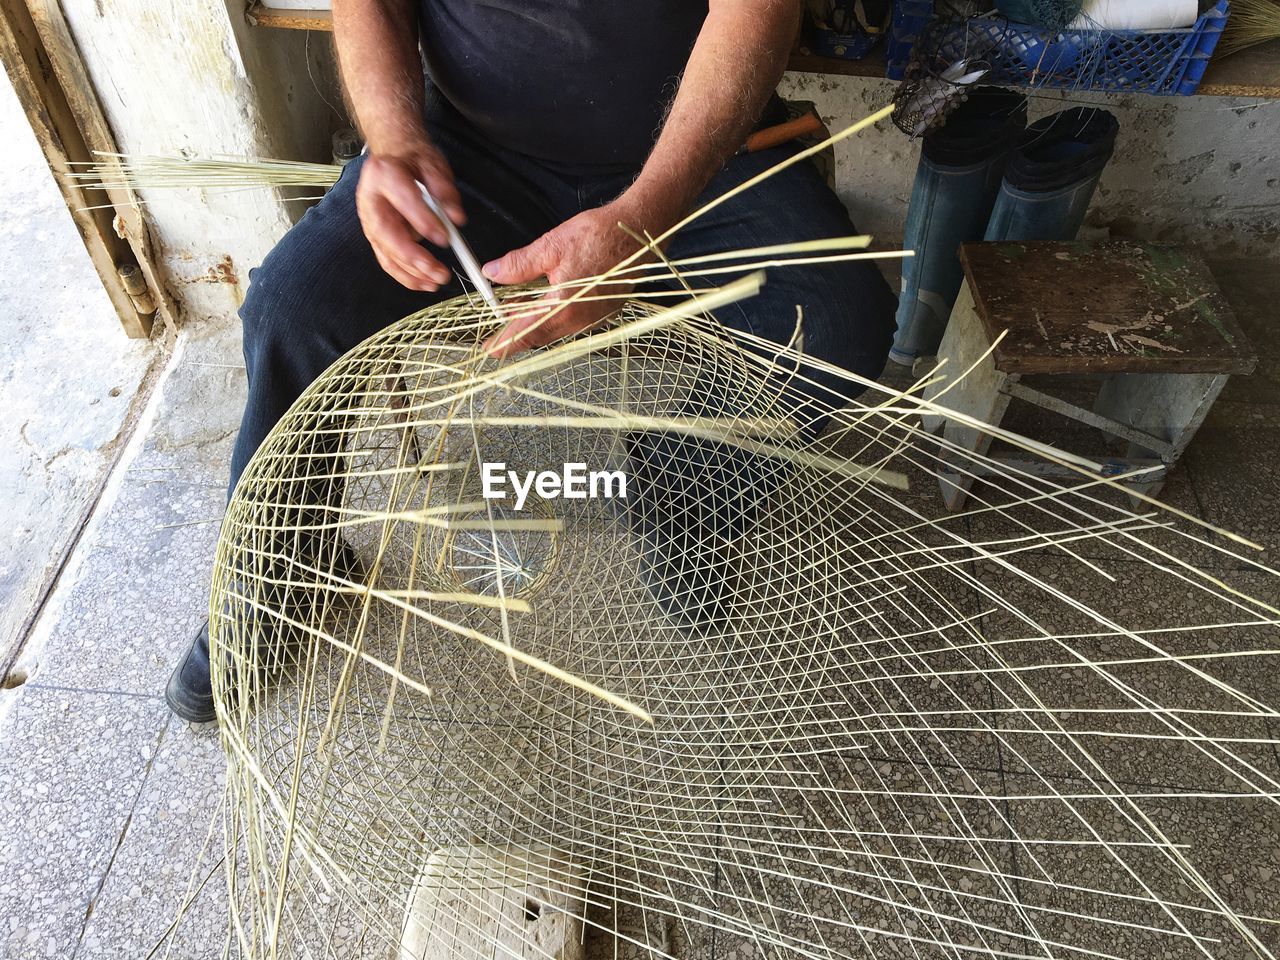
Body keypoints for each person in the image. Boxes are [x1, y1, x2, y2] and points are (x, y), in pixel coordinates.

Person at [164, 0, 897, 723]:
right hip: (473, 154)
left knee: (835, 329)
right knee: (294, 308)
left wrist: (641, 217)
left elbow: (758, 12)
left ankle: (682, 488)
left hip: (702, 152)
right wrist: (392, 140)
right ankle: (278, 574)